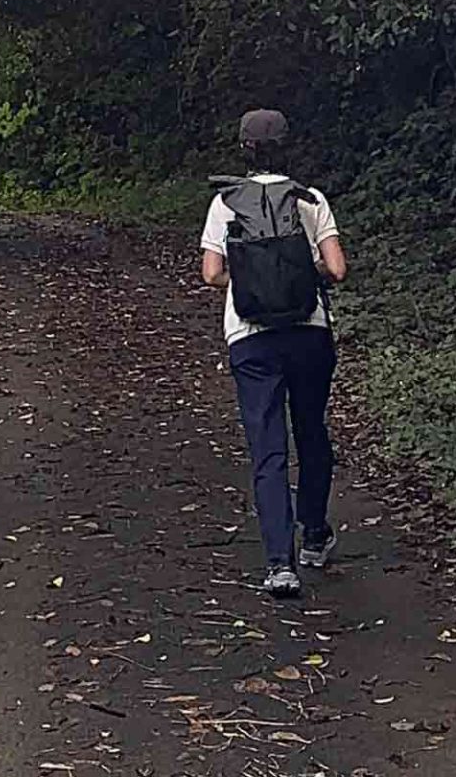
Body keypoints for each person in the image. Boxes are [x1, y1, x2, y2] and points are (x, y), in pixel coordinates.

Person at [199, 106, 348, 598]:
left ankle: (280, 564)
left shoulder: (226, 203)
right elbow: (337, 269)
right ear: (289, 146)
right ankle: (315, 535)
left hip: (250, 336)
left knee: (268, 446)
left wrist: (251, 280)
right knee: (311, 431)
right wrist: (301, 275)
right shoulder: (310, 199)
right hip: (309, 332)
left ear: (244, 149)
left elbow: (211, 274)